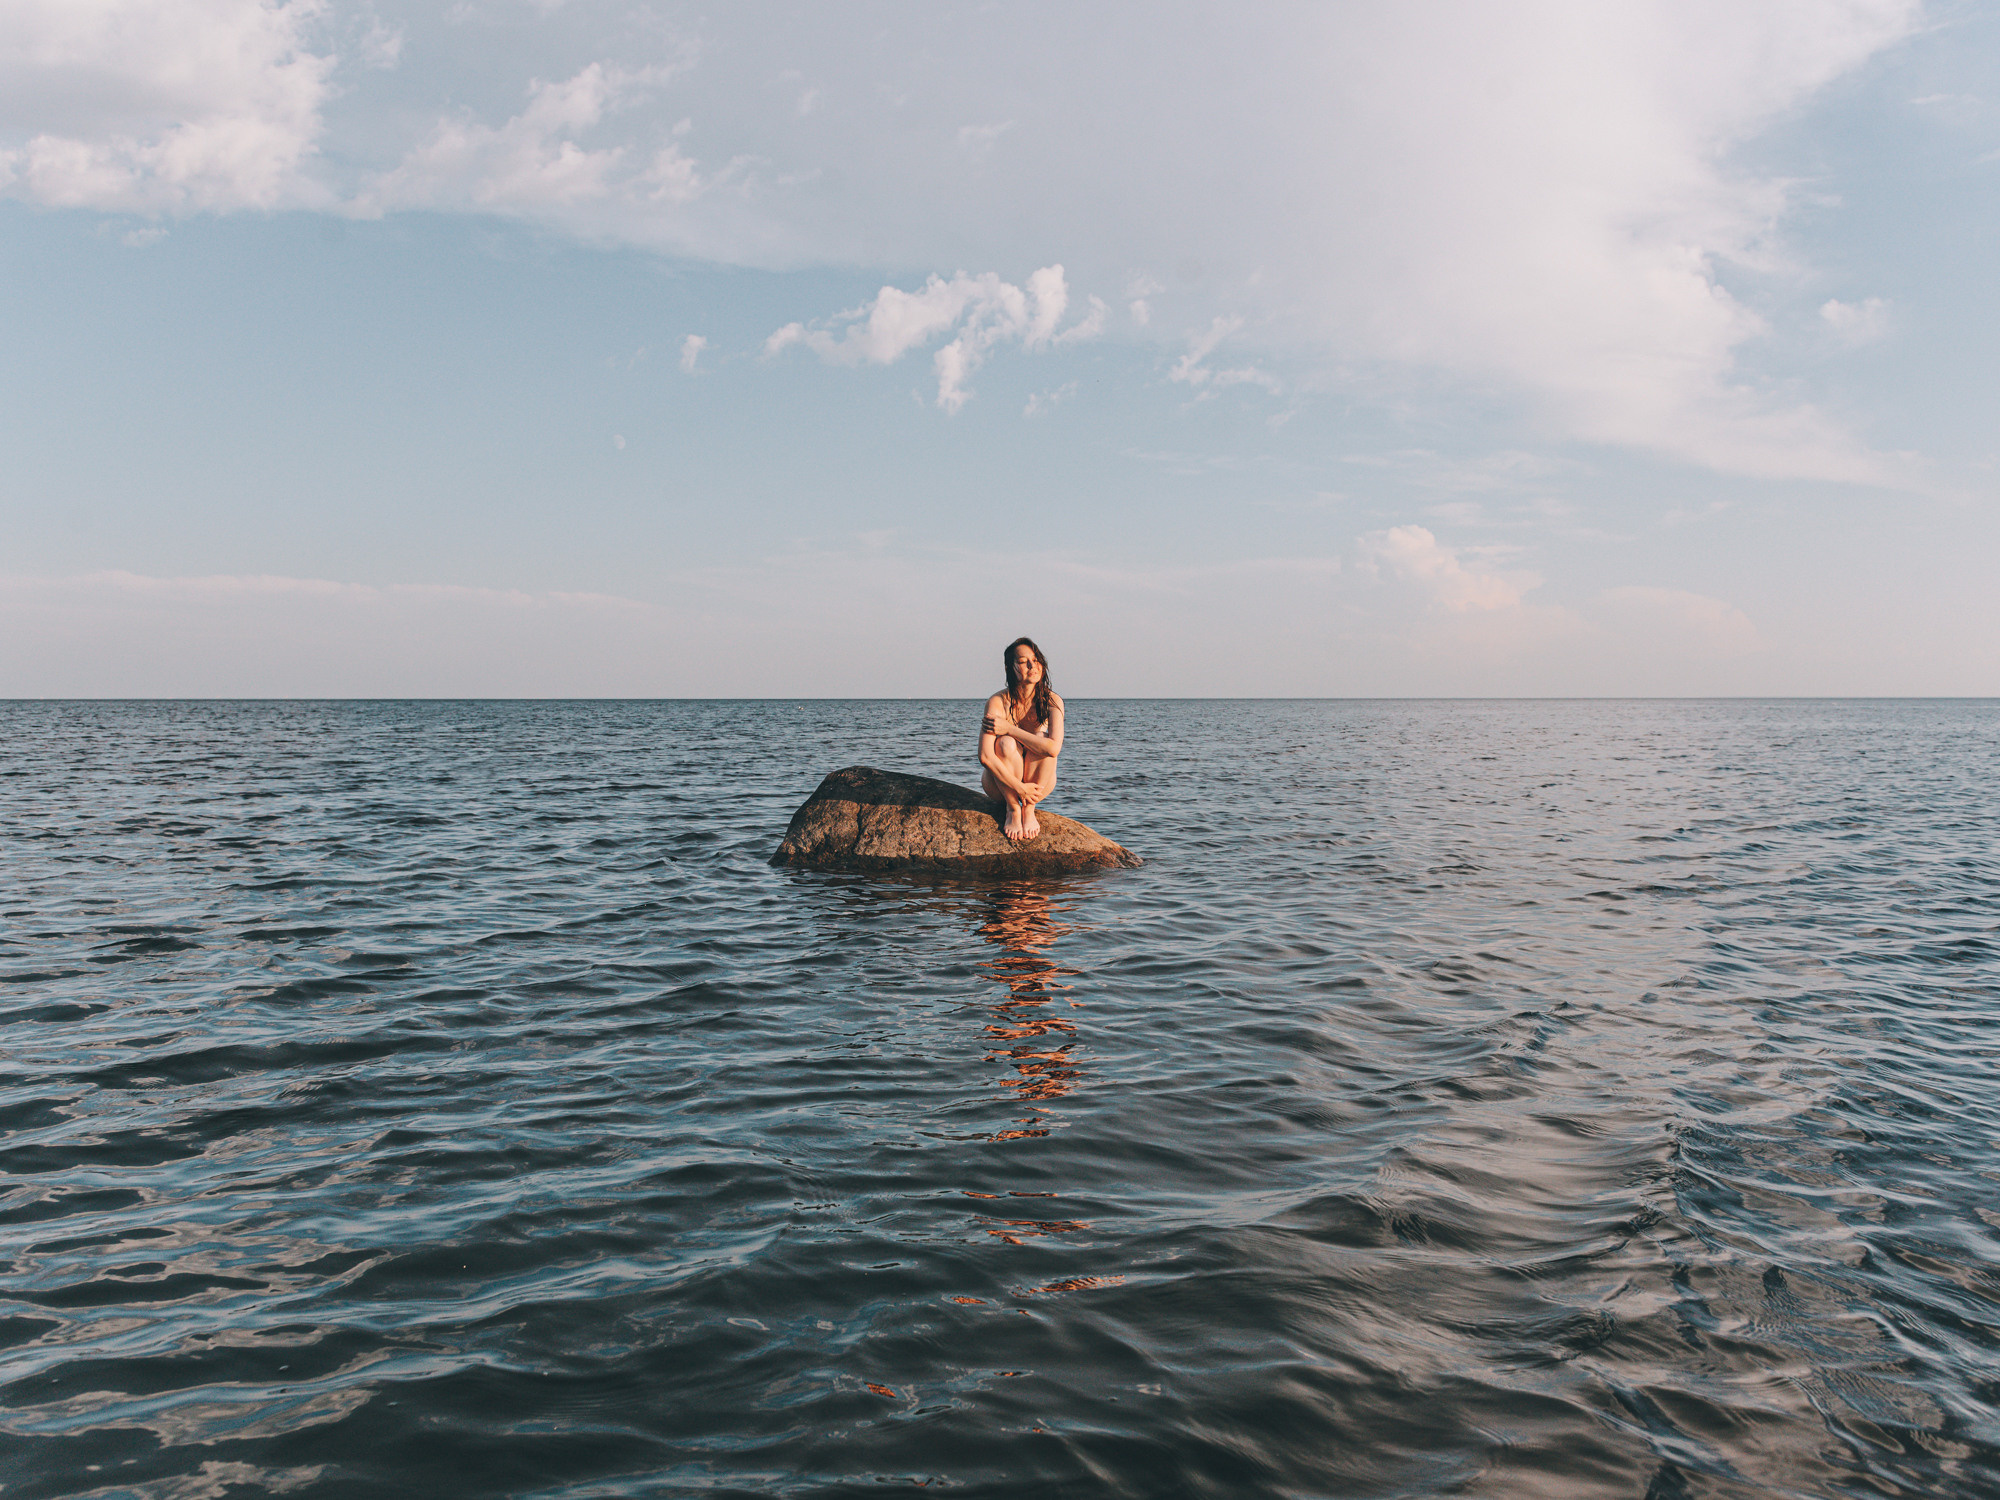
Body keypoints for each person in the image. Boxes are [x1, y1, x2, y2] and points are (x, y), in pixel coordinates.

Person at [980, 637, 1065, 842]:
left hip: (1039, 786)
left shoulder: (1053, 701)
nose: (1031, 665)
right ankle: (1013, 810)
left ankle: (1029, 810)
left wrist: (1009, 728)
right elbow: (985, 756)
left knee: (1041, 739)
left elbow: (1053, 749)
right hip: (1001, 786)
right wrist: (1019, 788)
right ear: (1011, 668)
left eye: (1035, 660)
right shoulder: (998, 702)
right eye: (1022, 661)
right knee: (1005, 743)